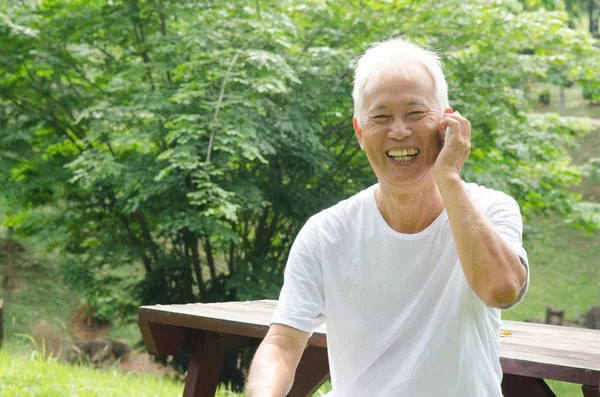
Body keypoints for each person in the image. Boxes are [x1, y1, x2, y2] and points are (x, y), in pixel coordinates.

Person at [245, 38, 529, 397]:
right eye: (380, 117)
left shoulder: (490, 210)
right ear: (360, 132)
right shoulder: (326, 233)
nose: (398, 131)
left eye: (415, 113)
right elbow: (283, 343)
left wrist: (450, 178)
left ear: (447, 124)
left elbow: (500, 289)